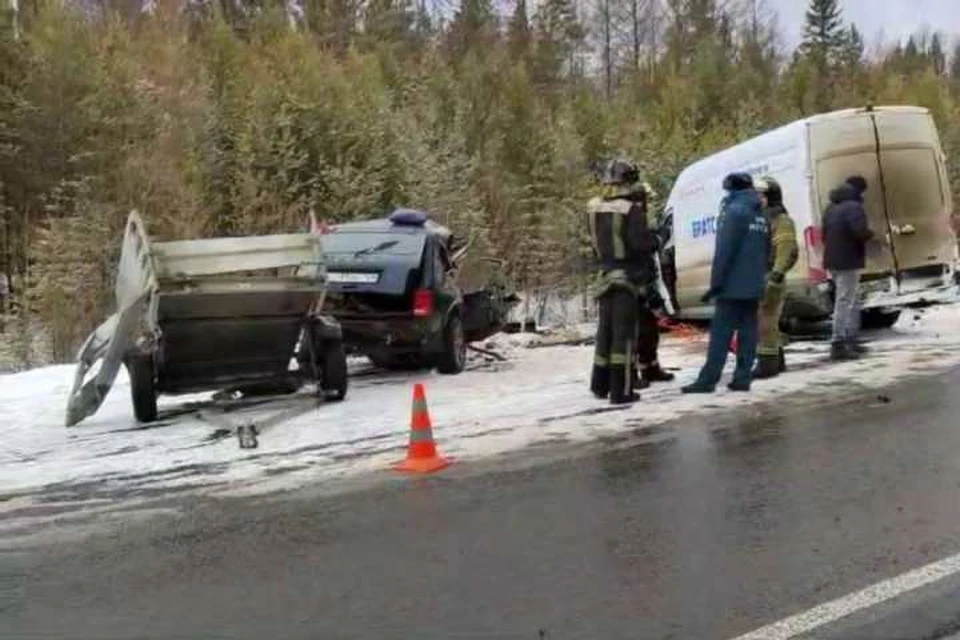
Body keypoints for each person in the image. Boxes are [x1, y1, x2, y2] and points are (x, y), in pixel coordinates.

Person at [682, 173, 770, 394]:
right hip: (754, 284)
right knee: (748, 333)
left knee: (721, 335)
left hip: (732, 286)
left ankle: (707, 380)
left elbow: (725, 251)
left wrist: (716, 284)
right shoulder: (760, 214)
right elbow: (767, 250)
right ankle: (742, 377)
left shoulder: (734, 212)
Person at [587, 159, 657, 405]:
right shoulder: (630, 209)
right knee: (623, 337)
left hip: (603, 276)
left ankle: (600, 385)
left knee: (604, 334)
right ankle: (622, 390)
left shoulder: (594, 207)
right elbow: (640, 244)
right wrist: (655, 239)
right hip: (627, 278)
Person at [822, 175, 873, 361]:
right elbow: (860, 232)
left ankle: (850, 339)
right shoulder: (853, 207)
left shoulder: (830, 208)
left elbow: (824, 235)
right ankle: (839, 343)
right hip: (848, 260)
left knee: (848, 299)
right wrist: (872, 236)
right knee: (845, 301)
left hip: (832, 261)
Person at [752, 177, 799, 379]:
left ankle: (767, 365)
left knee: (766, 321)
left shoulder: (781, 220)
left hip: (770, 276)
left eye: (760, 195)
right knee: (763, 321)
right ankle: (775, 360)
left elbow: (786, 250)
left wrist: (776, 275)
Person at [633, 181, 675, 389]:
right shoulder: (631, 217)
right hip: (635, 282)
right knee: (638, 330)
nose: (647, 203)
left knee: (650, 329)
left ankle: (651, 367)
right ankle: (634, 371)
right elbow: (643, 246)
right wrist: (659, 237)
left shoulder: (639, 218)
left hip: (646, 278)